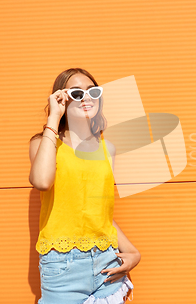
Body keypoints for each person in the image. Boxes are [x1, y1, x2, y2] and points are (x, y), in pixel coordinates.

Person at [29, 68, 139, 304]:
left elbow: (100, 213)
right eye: (77, 93)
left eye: (93, 92)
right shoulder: (44, 143)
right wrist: (53, 118)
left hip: (107, 262)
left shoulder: (107, 149)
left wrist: (133, 252)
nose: (87, 97)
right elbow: (41, 181)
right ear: (62, 98)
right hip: (62, 267)